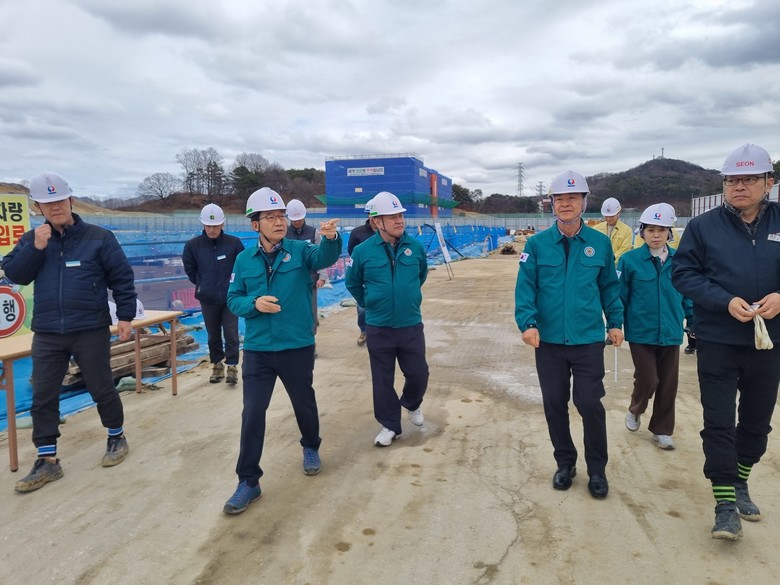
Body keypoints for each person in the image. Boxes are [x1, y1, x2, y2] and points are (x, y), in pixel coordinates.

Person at [2, 172, 137, 492]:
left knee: (101, 386)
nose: (55, 207)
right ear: (38, 207)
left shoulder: (99, 237)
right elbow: (14, 274)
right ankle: (47, 459)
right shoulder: (32, 240)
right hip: (48, 331)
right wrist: (36, 248)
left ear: (71, 201)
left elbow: (121, 277)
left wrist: (126, 317)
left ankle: (116, 436)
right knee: (43, 394)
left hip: (90, 327)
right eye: (47, 203)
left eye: (60, 201)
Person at [672, 143, 780, 541]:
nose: (739, 187)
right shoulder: (703, 227)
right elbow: (683, 273)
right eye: (732, 180)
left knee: (756, 422)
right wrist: (724, 300)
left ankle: (740, 480)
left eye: (749, 179)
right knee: (717, 422)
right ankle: (724, 504)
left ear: (768, 182)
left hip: (769, 342)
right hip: (718, 339)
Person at [222, 187, 341, 515]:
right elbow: (233, 299)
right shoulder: (244, 260)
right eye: (270, 217)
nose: (278, 222)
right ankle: (249, 481)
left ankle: (311, 446)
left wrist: (331, 238)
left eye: (281, 216)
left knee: (304, 402)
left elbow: (325, 257)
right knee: (252, 413)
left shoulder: (301, 251)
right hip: (258, 349)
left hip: (296, 345)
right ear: (255, 225)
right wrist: (254, 303)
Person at [515, 170, 623, 499]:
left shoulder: (600, 243)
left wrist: (615, 322)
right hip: (548, 341)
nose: (565, 204)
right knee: (554, 404)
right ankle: (565, 463)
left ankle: (597, 470)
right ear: (552, 204)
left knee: (589, 403)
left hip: (587, 339)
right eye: (559, 199)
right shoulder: (536, 245)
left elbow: (610, 288)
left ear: (584, 203)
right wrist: (528, 323)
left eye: (572, 198)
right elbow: (526, 288)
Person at [346, 191, 429, 447]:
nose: (399, 220)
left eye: (400, 215)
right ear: (376, 221)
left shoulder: (415, 248)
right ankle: (390, 425)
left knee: (418, 373)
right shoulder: (362, 251)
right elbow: (352, 282)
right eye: (392, 217)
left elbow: (421, 276)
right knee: (382, 380)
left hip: (410, 323)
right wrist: (371, 301)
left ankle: (412, 403)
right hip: (378, 326)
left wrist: (406, 297)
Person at [618, 203, 692, 451]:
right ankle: (636, 408)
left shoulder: (681, 261)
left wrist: (692, 320)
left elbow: (688, 295)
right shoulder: (629, 261)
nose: (656, 235)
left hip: (671, 331)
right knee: (648, 378)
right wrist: (615, 325)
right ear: (642, 232)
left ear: (670, 233)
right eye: (651, 230)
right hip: (641, 331)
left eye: (662, 230)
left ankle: (662, 430)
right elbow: (620, 296)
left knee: (668, 383)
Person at [182, 203, 245, 385]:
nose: (211, 229)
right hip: (208, 298)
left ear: (222, 224)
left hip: (230, 297)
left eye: (215, 226)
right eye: (208, 226)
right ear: (203, 224)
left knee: (231, 332)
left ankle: (232, 366)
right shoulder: (193, 246)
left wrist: (235, 287)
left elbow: (242, 266)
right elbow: (190, 270)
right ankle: (217, 365)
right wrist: (203, 284)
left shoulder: (234, 243)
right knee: (213, 334)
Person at [285, 199, 329, 357]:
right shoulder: (284, 233)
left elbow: (321, 255)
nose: (297, 222)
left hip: (310, 280)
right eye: (294, 219)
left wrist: (322, 276)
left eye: (299, 219)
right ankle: (293, 342)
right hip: (289, 281)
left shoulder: (313, 233)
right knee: (290, 312)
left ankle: (310, 342)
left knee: (310, 313)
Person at [347, 197, 377, 347]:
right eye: (372, 216)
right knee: (362, 308)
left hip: (382, 275)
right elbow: (351, 252)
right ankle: (364, 331)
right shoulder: (357, 233)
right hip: (364, 276)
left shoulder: (388, 232)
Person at [593, 197, 633, 265]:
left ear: (618, 213)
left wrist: (609, 260)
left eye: (611, 216)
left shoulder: (627, 230)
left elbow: (624, 250)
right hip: (598, 265)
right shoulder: (596, 229)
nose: (608, 219)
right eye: (606, 216)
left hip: (617, 267)